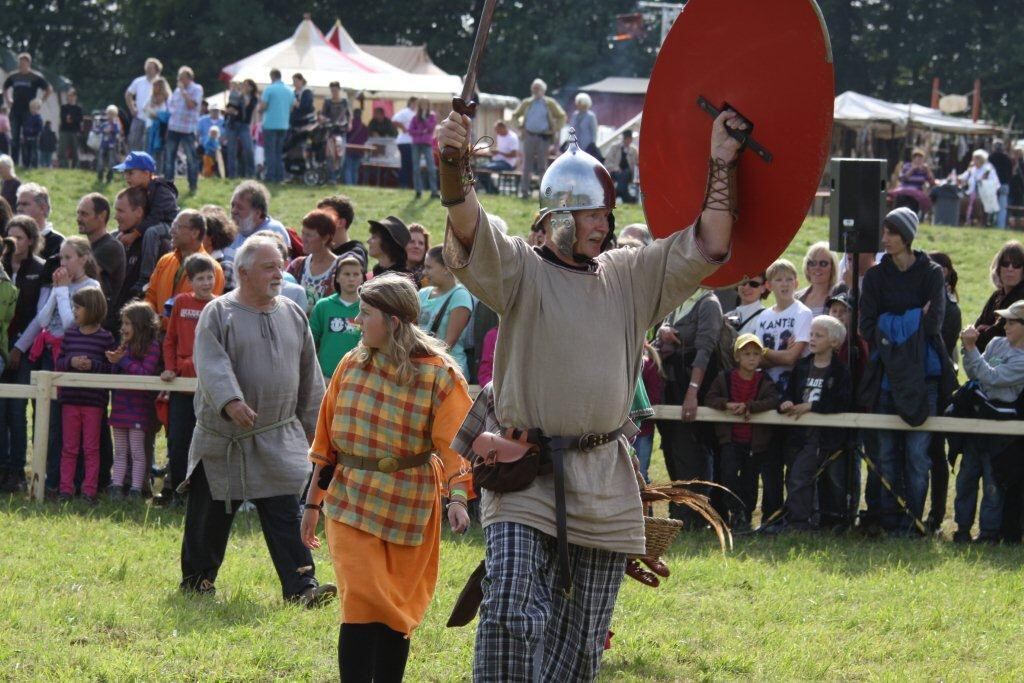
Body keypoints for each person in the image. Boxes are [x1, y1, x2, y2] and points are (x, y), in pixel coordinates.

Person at [439, 101, 745, 678]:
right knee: (508, 605)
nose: (604, 224)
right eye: (590, 214)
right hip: (524, 472)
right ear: (558, 216)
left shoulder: (631, 275)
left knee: (580, 641)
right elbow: (471, 230)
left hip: (603, 478)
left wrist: (722, 162)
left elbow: (709, 242)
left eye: (606, 213)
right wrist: (454, 168)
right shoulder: (521, 271)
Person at [302, 272, 472, 681]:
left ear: (394, 320)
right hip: (350, 499)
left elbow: (456, 445)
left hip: (411, 503)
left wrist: (459, 497)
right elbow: (327, 443)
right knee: (361, 603)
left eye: (365, 313)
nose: (357, 322)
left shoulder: (439, 375)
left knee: (394, 611)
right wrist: (311, 504)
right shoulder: (351, 363)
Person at [179, 234, 336, 606]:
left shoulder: (293, 313)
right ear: (244, 272)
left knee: (285, 512)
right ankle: (198, 582)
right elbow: (211, 362)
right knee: (209, 515)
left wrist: (321, 436)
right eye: (269, 267)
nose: (279, 273)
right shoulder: (218, 312)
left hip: (277, 435)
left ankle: (302, 587)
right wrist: (231, 400)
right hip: (224, 437)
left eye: (280, 265)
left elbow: (310, 380)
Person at [859, 207, 954, 535]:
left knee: (917, 456)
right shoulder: (875, 276)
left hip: (924, 377)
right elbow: (868, 326)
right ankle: (887, 521)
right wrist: (911, 317)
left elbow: (933, 325)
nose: (884, 238)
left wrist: (892, 325)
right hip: (886, 377)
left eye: (892, 232)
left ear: (907, 236)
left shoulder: (931, 274)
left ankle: (912, 523)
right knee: (885, 455)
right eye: (884, 232)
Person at [954, 301, 1024, 543]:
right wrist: (970, 350)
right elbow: (975, 372)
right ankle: (962, 529)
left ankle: (988, 534)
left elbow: (991, 378)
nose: (1005, 326)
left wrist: (971, 347)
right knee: (966, 478)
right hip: (978, 421)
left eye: (1012, 322)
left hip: (1002, 430)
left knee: (993, 484)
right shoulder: (995, 343)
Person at [777, 315, 851, 530]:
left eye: (819, 335)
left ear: (834, 342)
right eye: (811, 334)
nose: (813, 338)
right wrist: (786, 402)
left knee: (833, 480)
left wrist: (812, 406)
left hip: (829, 436)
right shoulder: (801, 366)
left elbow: (841, 401)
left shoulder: (840, 370)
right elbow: (788, 393)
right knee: (798, 476)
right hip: (802, 436)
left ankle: (833, 522)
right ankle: (798, 522)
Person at [656, 289, 724, 524]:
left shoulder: (709, 304)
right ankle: (680, 512)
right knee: (673, 449)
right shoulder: (677, 300)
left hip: (695, 390)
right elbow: (657, 342)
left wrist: (692, 392)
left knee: (692, 450)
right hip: (670, 389)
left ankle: (695, 517)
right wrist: (662, 333)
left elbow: (705, 351)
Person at [159, 253, 218, 505]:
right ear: (190, 281)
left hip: (207, 387)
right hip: (181, 385)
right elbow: (170, 339)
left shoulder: (219, 305)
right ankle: (178, 492)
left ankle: (202, 494)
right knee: (178, 441)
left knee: (206, 442)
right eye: (200, 278)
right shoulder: (182, 303)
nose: (206, 283)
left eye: (210, 277)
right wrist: (170, 367)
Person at [705, 333, 780, 530]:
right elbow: (710, 398)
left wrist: (749, 406)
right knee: (728, 475)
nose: (752, 358)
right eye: (747, 353)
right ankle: (735, 511)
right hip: (730, 440)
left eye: (756, 354)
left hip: (754, 442)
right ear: (737, 356)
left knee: (751, 480)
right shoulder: (725, 378)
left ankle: (745, 518)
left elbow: (773, 400)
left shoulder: (764, 380)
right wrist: (728, 405)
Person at [56, 287, 115, 502]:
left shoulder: (105, 338)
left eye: (78, 307)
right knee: (69, 448)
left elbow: (110, 369)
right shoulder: (70, 334)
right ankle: (65, 489)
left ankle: (89, 491)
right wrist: (71, 362)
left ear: (91, 309)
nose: (74, 311)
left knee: (91, 448)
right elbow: (59, 362)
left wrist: (93, 365)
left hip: (94, 403)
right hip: (70, 400)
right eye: (74, 307)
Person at [0, 216, 45, 493]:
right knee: (0, 410)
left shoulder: (40, 269)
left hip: (25, 348)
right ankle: (2, 467)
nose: (14, 241)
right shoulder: (1, 266)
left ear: (30, 239)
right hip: (1, 346)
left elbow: (40, 316)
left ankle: (17, 470)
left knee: (17, 411)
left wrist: (19, 348)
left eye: (20, 236)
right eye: (10, 236)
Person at [106, 301, 161, 499]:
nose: (123, 328)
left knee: (137, 452)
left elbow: (145, 373)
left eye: (128, 323)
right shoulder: (123, 347)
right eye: (123, 323)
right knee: (120, 451)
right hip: (120, 407)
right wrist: (114, 361)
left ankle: (136, 488)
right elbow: (116, 375)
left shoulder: (152, 347)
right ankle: (116, 486)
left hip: (138, 409)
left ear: (141, 325)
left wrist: (122, 360)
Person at [144, 210, 225, 323]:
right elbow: (151, 296)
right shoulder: (165, 261)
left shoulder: (212, 269)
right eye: (172, 225)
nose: (171, 231)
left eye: (177, 226)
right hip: (157, 334)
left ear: (195, 233)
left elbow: (203, 313)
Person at [114, 151, 178, 292]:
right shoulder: (142, 189)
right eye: (125, 173)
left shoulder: (161, 190)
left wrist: (134, 234)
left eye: (130, 173)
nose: (126, 177)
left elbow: (155, 217)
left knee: (151, 232)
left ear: (146, 173)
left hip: (171, 226)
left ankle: (145, 278)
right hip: (156, 223)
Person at [418, 245, 473, 376]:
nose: (424, 272)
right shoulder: (422, 293)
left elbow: (448, 343)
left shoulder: (460, 296)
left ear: (446, 268)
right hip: (423, 366)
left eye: (429, 267)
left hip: (448, 370)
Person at [76, 193, 126, 331]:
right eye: (78, 213)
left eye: (84, 214)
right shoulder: (86, 247)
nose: (78, 219)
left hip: (100, 327)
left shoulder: (111, 246)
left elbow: (83, 274)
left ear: (102, 216)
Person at [309, 253, 363, 378]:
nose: (351, 279)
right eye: (346, 274)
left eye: (356, 274)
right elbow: (310, 341)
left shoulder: (367, 308)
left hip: (356, 377)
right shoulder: (323, 306)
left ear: (362, 278)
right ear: (337, 277)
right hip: (325, 377)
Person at [512, 78, 567, 199]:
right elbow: (515, 115)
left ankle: (544, 194)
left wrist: (554, 129)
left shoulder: (549, 103)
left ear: (543, 90)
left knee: (542, 167)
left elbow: (562, 116)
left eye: (538, 88)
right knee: (527, 166)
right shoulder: (527, 102)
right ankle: (524, 192)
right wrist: (520, 126)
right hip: (529, 136)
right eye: (534, 88)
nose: (535, 91)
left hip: (543, 138)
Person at [2, 53, 51, 166]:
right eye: (20, 63)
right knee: (15, 138)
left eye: (24, 63)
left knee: (27, 138)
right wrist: (8, 99)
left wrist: (40, 102)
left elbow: (48, 89)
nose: (22, 65)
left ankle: (27, 163)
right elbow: (4, 87)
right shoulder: (13, 76)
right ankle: (13, 163)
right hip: (15, 111)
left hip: (29, 113)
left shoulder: (35, 77)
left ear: (29, 63)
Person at [286, 210, 339, 314]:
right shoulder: (297, 265)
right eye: (303, 233)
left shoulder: (341, 269)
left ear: (326, 238)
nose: (303, 239)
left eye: (309, 235)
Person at [974, 241, 1024, 352]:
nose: (1010, 268)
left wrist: (982, 331)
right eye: (1005, 263)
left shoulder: (1021, 298)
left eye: (1016, 264)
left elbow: (999, 335)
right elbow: (977, 326)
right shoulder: (997, 295)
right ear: (999, 268)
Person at [164, 66, 204, 193]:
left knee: (191, 159)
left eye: (181, 78)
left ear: (188, 77)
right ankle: (168, 187)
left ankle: (193, 186)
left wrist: (183, 92)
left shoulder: (197, 89)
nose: (179, 80)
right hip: (173, 128)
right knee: (169, 158)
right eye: (179, 78)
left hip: (188, 129)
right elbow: (170, 107)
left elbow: (191, 105)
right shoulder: (176, 91)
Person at [112, 186, 149, 310]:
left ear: (138, 212)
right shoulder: (115, 238)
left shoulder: (153, 244)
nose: (115, 216)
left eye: (120, 211)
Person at [229, 180, 290, 252]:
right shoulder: (228, 231)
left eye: (240, 207)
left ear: (258, 213)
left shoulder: (274, 232)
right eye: (233, 205)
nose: (233, 211)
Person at [634, 342, 665, 481]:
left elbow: (653, 399)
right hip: (621, 432)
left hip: (642, 431)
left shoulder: (649, 366)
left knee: (640, 475)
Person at [258, 70, 291, 184]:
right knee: (278, 152)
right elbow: (293, 106)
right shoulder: (289, 90)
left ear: (272, 76)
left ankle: (270, 176)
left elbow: (263, 106)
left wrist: (259, 110)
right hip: (283, 125)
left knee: (270, 152)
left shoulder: (269, 89)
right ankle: (280, 176)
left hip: (270, 124)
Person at [15, 183, 63, 261]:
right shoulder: (11, 238)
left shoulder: (58, 243)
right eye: (18, 204)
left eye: (25, 204)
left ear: (42, 208)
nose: (19, 208)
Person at [125, 58, 162, 152]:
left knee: (149, 145)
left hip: (154, 119)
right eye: (147, 67)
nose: (148, 70)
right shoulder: (139, 81)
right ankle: (133, 165)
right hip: (139, 117)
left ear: (157, 70)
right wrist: (132, 109)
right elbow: (128, 94)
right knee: (133, 142)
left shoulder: (160, 83)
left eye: (151, 68)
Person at [199, 205, 238, 292]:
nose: (194, 236)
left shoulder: (224, 268)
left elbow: (227, 303)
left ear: (211, 238)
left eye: (199, 233)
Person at [224, 79, 258, 178]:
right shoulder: (235, 95)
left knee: (248, 149)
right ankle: (232, 175)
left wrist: (237, 108)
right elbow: (229, 108)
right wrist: (235, 108)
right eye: (244, 85)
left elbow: (248, 107)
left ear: (251, 88)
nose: (245, 87)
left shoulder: (253, 98)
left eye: (247, 86)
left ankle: (251, 174)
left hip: (244, 126)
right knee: (232, 151)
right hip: (233, 124)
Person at [958, 149, 999, 227]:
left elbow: (995, 184)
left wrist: (983, 183)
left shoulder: (988, 170)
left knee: (978, 204)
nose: (973, 161)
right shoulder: (972, 170)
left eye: (975, 159)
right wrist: (958, 178)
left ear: (981, 160)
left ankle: (979, 223)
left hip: (983, 196)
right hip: (970, 194)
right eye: (973, 159)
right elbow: (963, 177)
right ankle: (964, 221)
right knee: (961, 201)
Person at [796, 242, 839, 315]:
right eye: (812, 263)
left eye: (823, 264)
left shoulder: (839, 297)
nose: (817, 268)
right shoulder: (796, 298)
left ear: (832, 267)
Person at [408, 100, 439, 199]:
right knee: (416, 168)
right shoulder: (414, 117)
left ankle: (434, 191)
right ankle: (418, 191)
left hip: (427, 143)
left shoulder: (432, 116)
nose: (424, 106)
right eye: (422, 104)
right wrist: (422, 131)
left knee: (431, 168)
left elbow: (430, 128)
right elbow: (410, 130)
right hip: (416, 144)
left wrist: (424, 119)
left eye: (426, 104)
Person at [321, 81, 350, 182]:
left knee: (340, 155)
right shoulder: (327, 102)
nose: (333, 92)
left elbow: (348, 115)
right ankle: (332, 178)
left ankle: (338, 175)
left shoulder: (344, 102)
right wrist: (323, 119)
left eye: (335, 90)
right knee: (330, 155)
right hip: (330, 131)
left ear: (339, 89)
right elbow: (323, 114)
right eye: (332, 90)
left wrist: (349, 123)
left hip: (341, 131)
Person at [604, 130, 638, 204]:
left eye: (630, 139)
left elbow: (636, 164)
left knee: (625, 173)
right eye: (627, 138)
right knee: (622, 176)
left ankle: (617, 193)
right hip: (615, 172)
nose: (628, 140)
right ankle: (625, 196)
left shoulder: (633, 150)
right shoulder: (614, 147)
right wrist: (616, 168)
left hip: (628, 173)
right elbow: (608, 162)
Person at [392, 97, 418, 189]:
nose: (416, 105)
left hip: (411, 142)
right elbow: (394, 120)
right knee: (406, 164)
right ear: (410, 102)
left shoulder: (415, 113)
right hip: (405, 141)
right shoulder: (405, 111)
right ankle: (403, 184)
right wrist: (403, 128)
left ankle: (408, 185)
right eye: (414, 103)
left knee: (410, 164)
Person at [95, 105, 123, 183]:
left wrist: (112, 130)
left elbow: (118, 132)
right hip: (103, 145)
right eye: (109, 114)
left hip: (112, 146)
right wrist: (100, 129)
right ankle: (100, 177)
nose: (110, 116)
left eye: (112, 114)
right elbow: (97, 131)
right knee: (101, 162)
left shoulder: (116, 124)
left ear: (115, 115)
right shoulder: (104, 124)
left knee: (111, 162)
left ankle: (109, 178)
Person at [58, 89, 84, 169]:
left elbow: (79, 119)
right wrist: (70, 118)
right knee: (62, 150)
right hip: (64, 131)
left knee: (75, 151)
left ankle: (75, 167)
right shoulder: (63, 107)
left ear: (75, 97)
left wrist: (71, 118)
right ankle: (63, 166)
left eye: (72, 96)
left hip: (75, 131)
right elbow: (63, 118)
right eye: (69, 96)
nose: (70, 97)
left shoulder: (79, 108)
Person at [568, 92, 599, 158]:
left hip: (586, 145)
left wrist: (592, 144)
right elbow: (571, 128)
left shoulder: (591, 116)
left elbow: (594, 132)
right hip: (575, 144)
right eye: (578, 103)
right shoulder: (575, 115)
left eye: (580, 103)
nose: (578, 105)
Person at [990, 139, 1012, 229]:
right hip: (1004, 184)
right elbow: (1010, 173)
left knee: (991, 206)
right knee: (1002, 208)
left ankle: (990, 223)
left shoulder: (990, 158)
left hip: (992, 185)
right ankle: (1000, 226)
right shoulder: (1007, 159)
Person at [342, 108, 368, 185]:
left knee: (348, 168)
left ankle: (349, 184)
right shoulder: (364, 127)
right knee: (355, 170)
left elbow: (345, 135)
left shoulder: (350, 125)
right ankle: (354, 184)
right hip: (360, 150)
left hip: (349, 149)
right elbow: (366, 138)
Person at [19, 99, 43, 170]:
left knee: (34, 152)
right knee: (26, 152)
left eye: (34, 108)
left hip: (34, 138)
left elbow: (40, 129)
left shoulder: (38, 118)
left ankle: (35, 166)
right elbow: (24, 126)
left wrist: (34, 130)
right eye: (31, 108)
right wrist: (23, 135)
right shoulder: (27, 117)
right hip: (26, 137)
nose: (32, 110)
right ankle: (26, 165)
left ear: (38, 109)